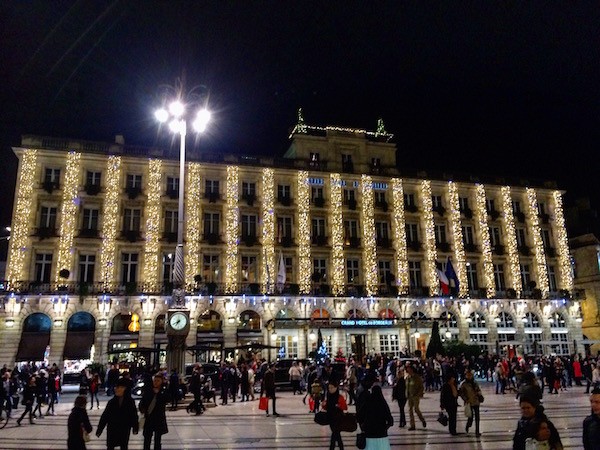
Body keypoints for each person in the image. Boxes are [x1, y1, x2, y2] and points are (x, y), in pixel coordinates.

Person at [96, 378, 139, 450]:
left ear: (125, 389)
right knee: (110, 446)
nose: (117, 389)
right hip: (112, 429)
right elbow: (105, 416)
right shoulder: (111, 402)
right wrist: (100, 429)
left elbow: (133, 415)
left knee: (124, 445)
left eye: (120, 387)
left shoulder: (130, 402)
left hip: (124, 429)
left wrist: (135, 427)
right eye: (117, 387)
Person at [357, 384, 393, 450]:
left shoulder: (368, 402)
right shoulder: (383, 403)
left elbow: (359, 416)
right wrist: (385, 427)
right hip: (381, 434)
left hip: (369, 433)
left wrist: (363, 426)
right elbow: (390, 420)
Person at [139, 373, 169, 450]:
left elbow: (166, 400)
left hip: (158, 418)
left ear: (162, 381)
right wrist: (142, 408)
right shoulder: (148, 390)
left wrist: (158, 393)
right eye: (154, 380)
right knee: (147, 439)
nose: (156, 382)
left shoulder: (164, 391)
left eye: (158, 381)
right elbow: (142, 401)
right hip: (148, 418)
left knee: (157, 440)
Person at [323, 380, 348, 450]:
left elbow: (345, 407)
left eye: (331, 387)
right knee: (336, 434)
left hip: (338, 418)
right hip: (331, 418)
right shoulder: (329, 396)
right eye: (329, 388)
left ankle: (332, 448)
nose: (330, 389)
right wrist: (324, 405)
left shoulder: (339, 397)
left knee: (335, 434)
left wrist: (339, 406)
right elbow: (326, 407)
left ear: (336, 388)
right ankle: (340, 448)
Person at [459, 369, 482, 437]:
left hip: (476, 401)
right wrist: (465, 399)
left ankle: (477, 431)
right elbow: (461, 393)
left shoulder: (475, 382)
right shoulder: (463, 384)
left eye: (470, 375)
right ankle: (468, 425)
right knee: (471, 417)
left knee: (477, 417)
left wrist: (479, 393)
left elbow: (478, 390)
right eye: (468, 375)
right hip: (469, 402)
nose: (469, 376)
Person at [405, 364, 426, 430]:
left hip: (416, 396)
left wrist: (419, 394)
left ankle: (422, 420)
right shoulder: (408, 377)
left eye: (409, 370)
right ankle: (412, 425)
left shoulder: (417, 377)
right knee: (410, 410)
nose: (408, 371)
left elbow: (421, 387)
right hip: (409, 396)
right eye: (407, 370)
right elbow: (407, 387)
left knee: (416, 409)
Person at [440, 371, 459, 435]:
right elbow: (442, 395)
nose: (453, 379)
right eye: (452, 378)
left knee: (454, 417)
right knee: (451, 417)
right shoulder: (445, 386)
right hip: (448, 404)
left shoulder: (454, 384)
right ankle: (452, 430)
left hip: (454, 403)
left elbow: (456, 393)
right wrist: (442, 404)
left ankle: (454, 429)